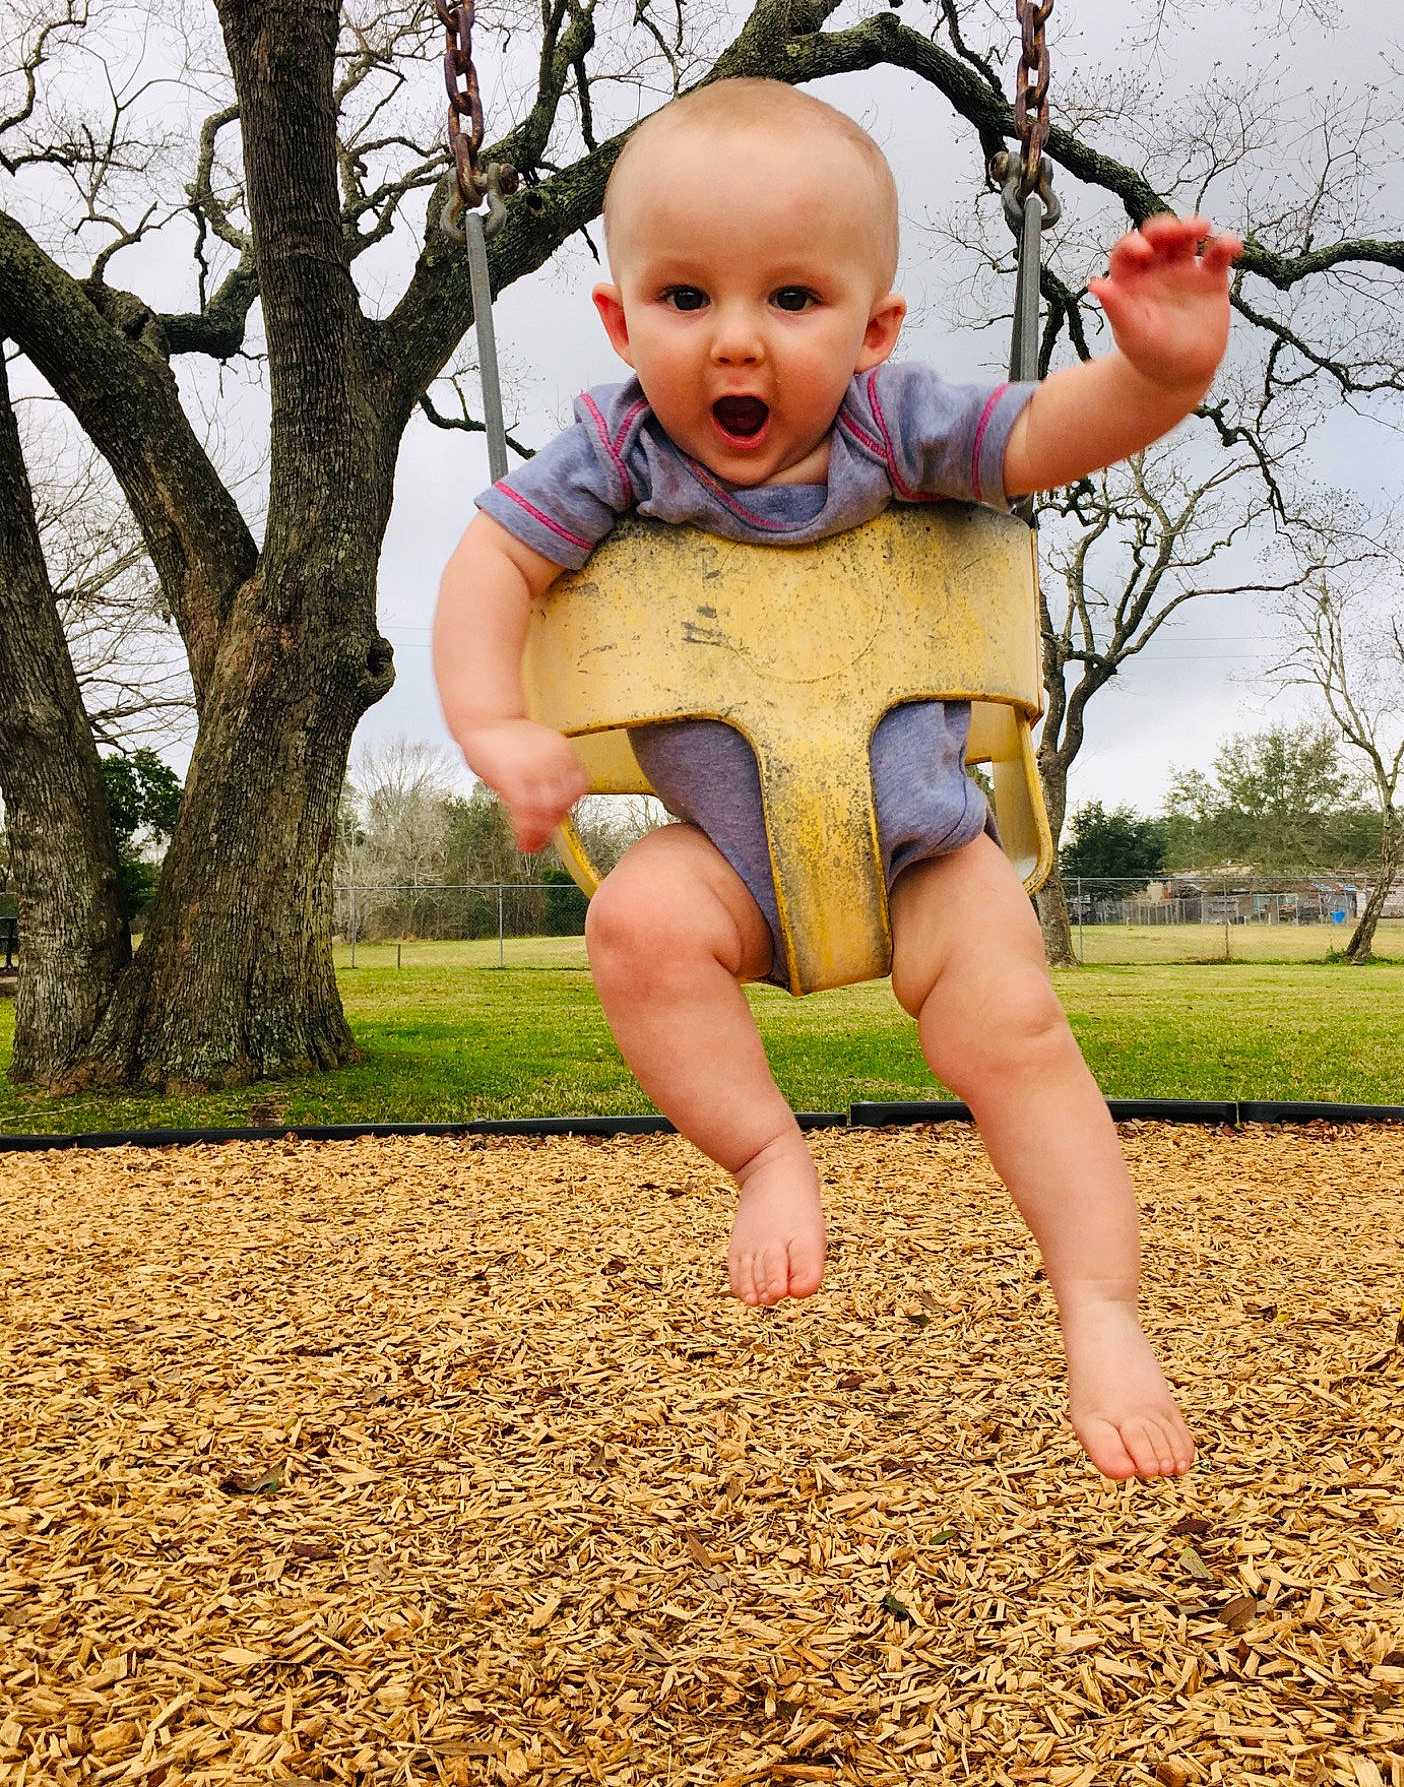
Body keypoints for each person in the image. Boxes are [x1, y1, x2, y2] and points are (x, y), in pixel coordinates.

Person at [434, 79, 1241, 1483]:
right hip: (729, 867)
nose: (736, 336)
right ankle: (765, 1153)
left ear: (872, 330)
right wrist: (493, 723)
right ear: (623, 322)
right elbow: (490, 566)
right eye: (685, 296)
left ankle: (1100, 1306)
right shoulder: (613, 450)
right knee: (634, 926)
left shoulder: (900, 426)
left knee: (1019, 1037)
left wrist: (1157, 380)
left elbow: (1048, 435)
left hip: (929, 855)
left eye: (792, 298)